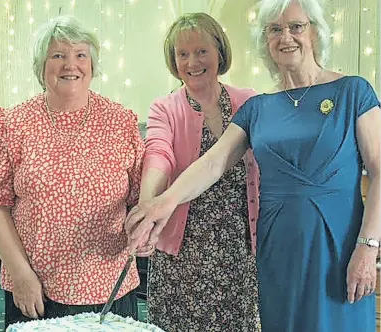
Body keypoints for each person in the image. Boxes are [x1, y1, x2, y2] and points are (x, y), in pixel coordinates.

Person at [125, 1, 381, 332]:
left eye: (296, 26)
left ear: (315, 31)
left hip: (338, 247)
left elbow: (378, 171)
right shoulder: (258, 107)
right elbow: (213, 163)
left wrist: (368, 247)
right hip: (276, 251)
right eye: (275, 29)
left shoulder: (353, 91)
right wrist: (164, 201)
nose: (285, 36)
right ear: (266, 40)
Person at [0, 16, 144, 329]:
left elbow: (139, 200)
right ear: (41, 66)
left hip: (110, 288)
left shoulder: (121, 122)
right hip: (36, 288)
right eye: (58, 55)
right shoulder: (16, 124)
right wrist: (20, 273)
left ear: (92, 64)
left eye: (81, 55)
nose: (71, 65)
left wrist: (144, 230)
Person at [130, 12, 261, 332]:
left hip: (238, 251)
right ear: (173, 61)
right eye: (183, 54)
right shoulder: (165, 107)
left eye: (202, 51)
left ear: (220, 52)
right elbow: (158, 155)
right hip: (181, 255)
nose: (192, 61)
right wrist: (149, 206)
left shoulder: (250, 102)